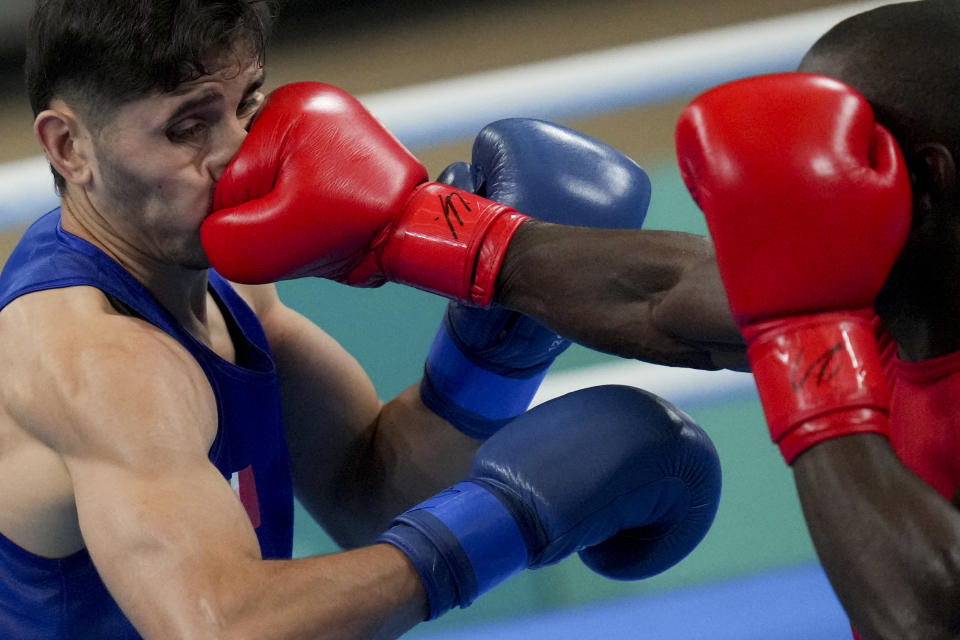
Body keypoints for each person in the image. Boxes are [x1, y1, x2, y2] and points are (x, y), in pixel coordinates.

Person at [203, 2, 960, 639]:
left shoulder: (842, 309)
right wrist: (424, 231)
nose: (805, 170)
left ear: (926, 178)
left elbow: (922, 618)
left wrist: (810, 340)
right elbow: (665, 296)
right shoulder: (893, 294)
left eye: (847, 149)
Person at [0, 1, 723, 638]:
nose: (234, 154)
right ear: (70, 147)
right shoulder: (96, 353)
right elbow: (226, 630)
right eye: (188, 127)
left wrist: (496, 345)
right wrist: (508, 519)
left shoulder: (223, 286)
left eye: (247, 105)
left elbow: (372, 496)